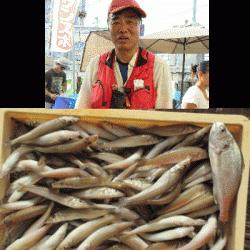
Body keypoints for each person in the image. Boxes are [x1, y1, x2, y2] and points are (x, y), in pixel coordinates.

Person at [75, 0, 172, 109]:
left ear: (141, 28)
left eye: (130, 22)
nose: (123, 29)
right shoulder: (96, 65)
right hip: (100, 126)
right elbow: (81, 111)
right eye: (116, 22)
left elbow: (164, 117)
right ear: (109, 28)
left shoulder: (159, 67)